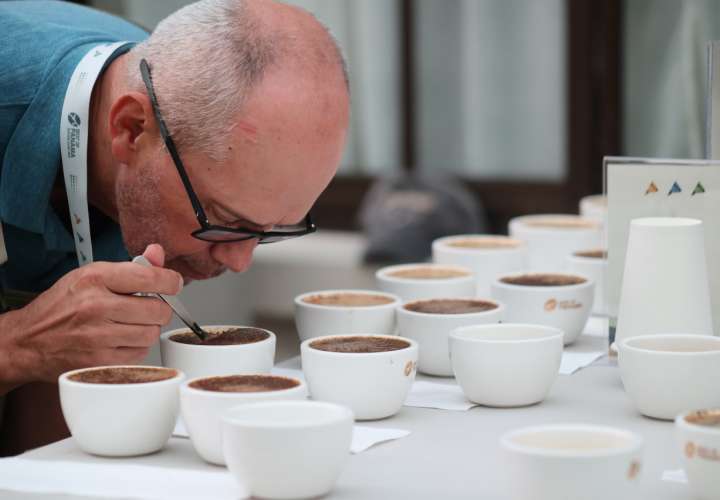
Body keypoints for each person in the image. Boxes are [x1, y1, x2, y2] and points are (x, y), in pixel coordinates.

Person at [0, 0, 349, 454]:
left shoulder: (164, 80)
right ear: (130, 129)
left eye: (272, 231)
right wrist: (20, 345)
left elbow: (41, 446)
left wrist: (49, 358)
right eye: (225, 220)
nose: (240, 261)